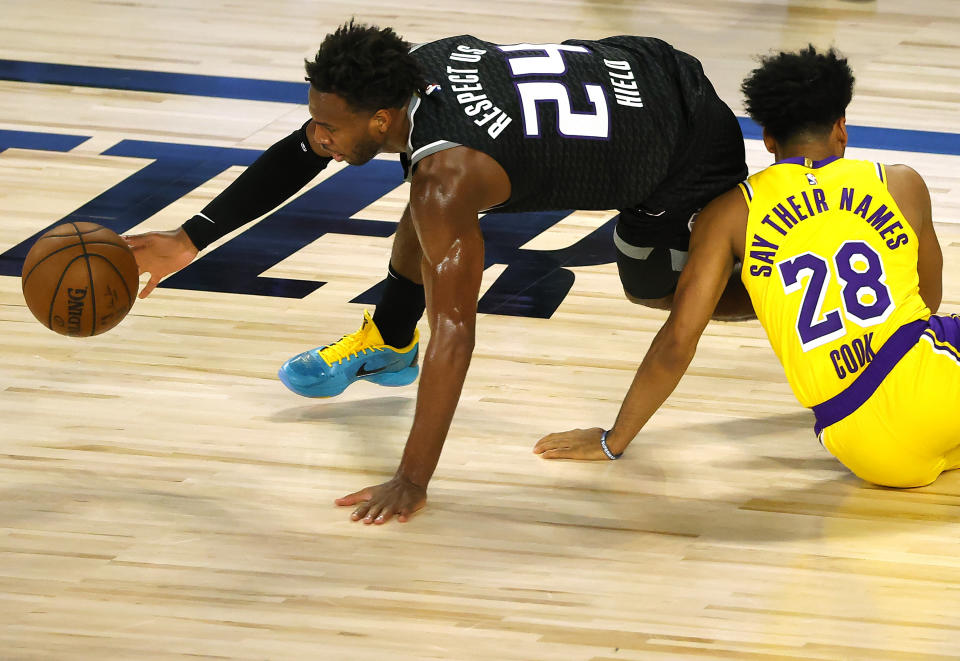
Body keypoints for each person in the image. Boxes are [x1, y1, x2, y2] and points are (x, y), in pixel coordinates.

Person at [125, 20, 751, 523]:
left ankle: (795, 301)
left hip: (685, 150)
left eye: (330, 127)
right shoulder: (416, 70)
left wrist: (411, 480)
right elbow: (301, 153)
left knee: (652, 287)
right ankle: (391, 342)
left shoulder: (446, 176)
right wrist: (188, 238)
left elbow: (456, 335)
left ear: (378, 120)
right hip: (641, 64)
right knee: (427, 209)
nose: (320, 136)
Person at [535, 46, 959, 490]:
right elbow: (926, 301)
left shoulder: (729, 213)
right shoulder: (901, 183)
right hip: (939, 392)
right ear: (841, 127)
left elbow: (678, 341)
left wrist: (611, 441)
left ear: (769, 140)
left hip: (866, 449)